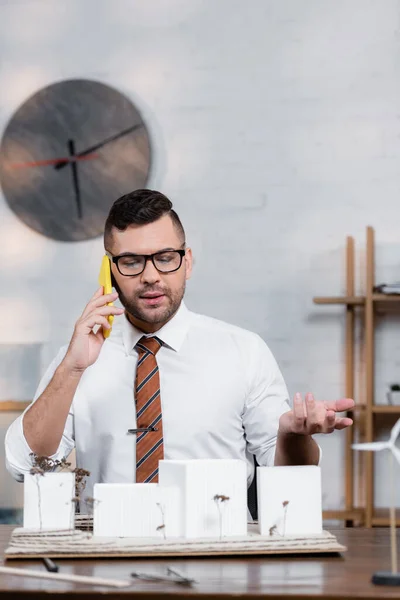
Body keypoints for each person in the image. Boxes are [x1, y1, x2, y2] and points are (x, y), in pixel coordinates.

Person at [5, 189, 354, 500]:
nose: (151, 276)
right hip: (110, 555)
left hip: (219, 557)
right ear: (110, 272)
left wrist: (292, 435)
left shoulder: (244, 351)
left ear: (187, 262)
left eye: (165, 257)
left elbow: (289, 480)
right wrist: (73, 368)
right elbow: (23, 466)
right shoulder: (77, 360)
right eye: (131, 262)